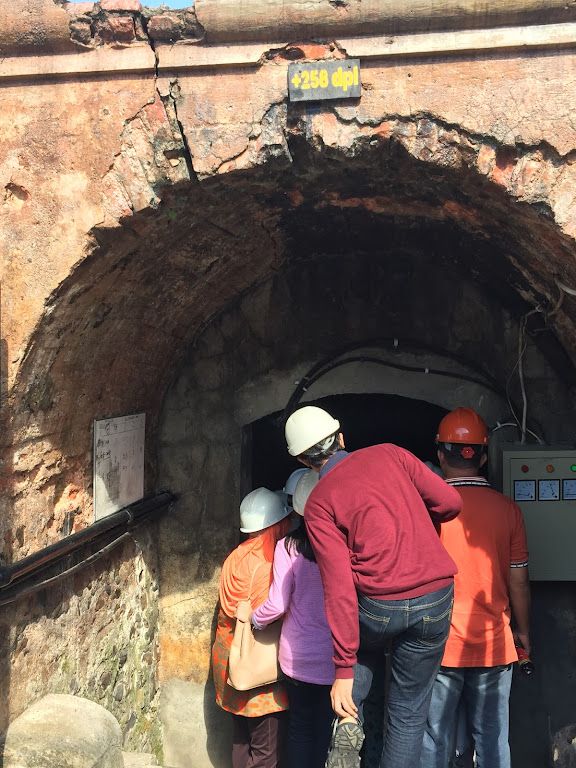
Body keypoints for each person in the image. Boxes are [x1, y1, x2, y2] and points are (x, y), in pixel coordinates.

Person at [283, 405, 463, 768]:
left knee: (360, 648)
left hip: (379, 604)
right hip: (434, 597)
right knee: (408, 714)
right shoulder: (391, 454)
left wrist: (342, 672)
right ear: (342, 437)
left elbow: (339, 589)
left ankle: (349, 716)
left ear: (304, 460)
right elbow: (450, 503)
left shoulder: (319, 504)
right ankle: (353, 710)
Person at [420, 407, 531, 768]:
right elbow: (518, 579)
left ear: (440, 454)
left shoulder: (426, 512)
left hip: (437, 645)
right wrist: (523, 632)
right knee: (492, 740)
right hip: (495, 646)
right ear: (483, 457)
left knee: (434, 739)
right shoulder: (508, 510)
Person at [251, 470, 335, 768]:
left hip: (296, 658)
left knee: (299, 726)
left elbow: (276, 604)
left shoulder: (287, 546)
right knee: (327, 730)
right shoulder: (344, 547)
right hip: (334, 658)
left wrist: (254, 620)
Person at [211, 487, 291, 768]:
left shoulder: (234, 557)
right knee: (265, 748)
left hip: (229, 662)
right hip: (258, 671)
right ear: (275, 525)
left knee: (240, 739)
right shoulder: (270, 563)